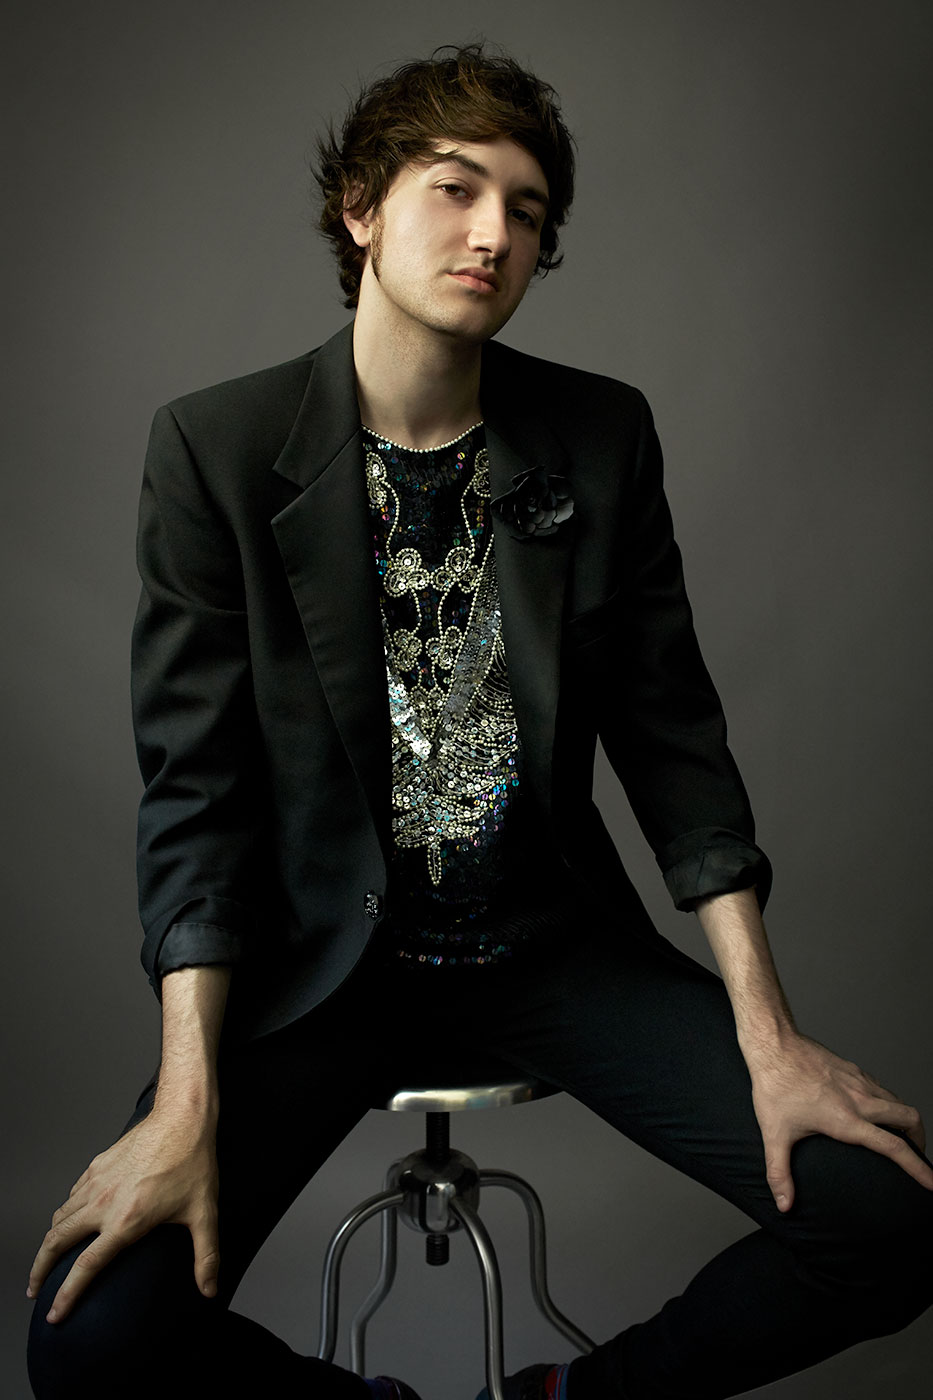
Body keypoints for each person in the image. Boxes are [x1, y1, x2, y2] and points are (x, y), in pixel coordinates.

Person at [26, 42, 933, 1400]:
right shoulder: (217, 449)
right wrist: (185, 1103)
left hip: (551, 948)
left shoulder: (599, 436)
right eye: (455, 189)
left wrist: (771, 1035)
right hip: (318, 968)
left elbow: (674, 745)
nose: (493, 233)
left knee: (891, 1223)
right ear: (360, 208)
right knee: (91, 1342)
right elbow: (195, 798)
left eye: (525, 208)